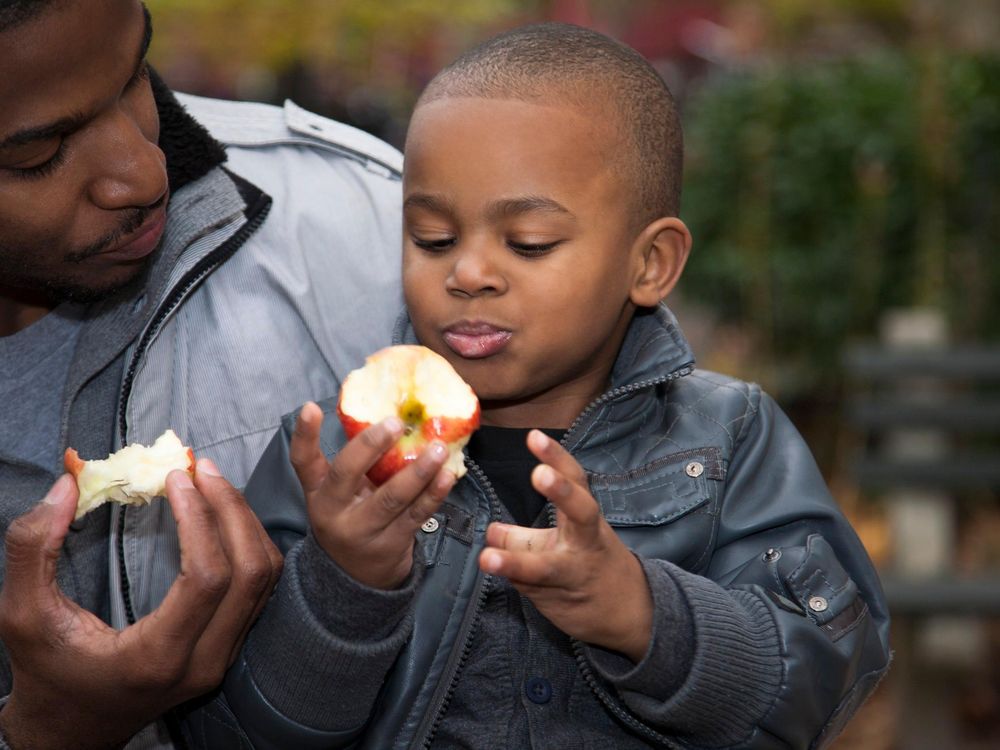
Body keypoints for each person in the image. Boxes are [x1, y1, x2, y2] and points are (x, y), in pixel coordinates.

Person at [223, 22, 892, 750]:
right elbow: (237, 731)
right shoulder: (332, 456)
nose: (468, 273)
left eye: (528, 243)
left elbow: (824, 680)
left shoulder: (728, 437)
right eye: (433, 239)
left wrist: (644, 615)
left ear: (651, 264)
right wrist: (345, 587)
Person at [0, 0, 403, 748]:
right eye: (35, 154)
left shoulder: (380, 226)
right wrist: (47, 731)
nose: (145, 174)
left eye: (133, 77)